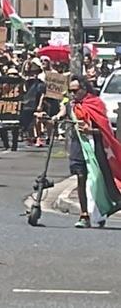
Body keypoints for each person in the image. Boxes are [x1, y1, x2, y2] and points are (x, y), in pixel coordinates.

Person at [51, 75, 121, 228]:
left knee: (96, 178)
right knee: (81, 177)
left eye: (75, 90)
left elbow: (105, 129)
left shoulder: (96, 103)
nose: (72, 94)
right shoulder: (71, 104)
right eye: (70, 91)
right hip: (77, 145)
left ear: (83, 89)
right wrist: (55, 117)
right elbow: (63, 111)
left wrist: (91, 130)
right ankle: (84, 215)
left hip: (95, 145)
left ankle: (100, 211)